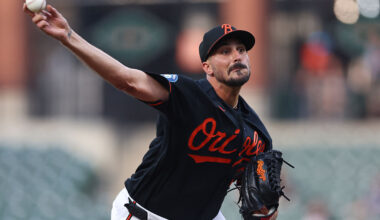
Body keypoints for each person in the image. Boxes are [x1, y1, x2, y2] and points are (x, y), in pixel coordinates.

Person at [24, 4, 278, 220]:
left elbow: (261, 205)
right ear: (207, 67)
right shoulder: (186, 95)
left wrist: (266, 209)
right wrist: (67, 35)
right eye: (225, 51)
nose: (237, 56)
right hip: (146, 212)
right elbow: (127, 80)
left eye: (241, 50)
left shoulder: (255, 131)